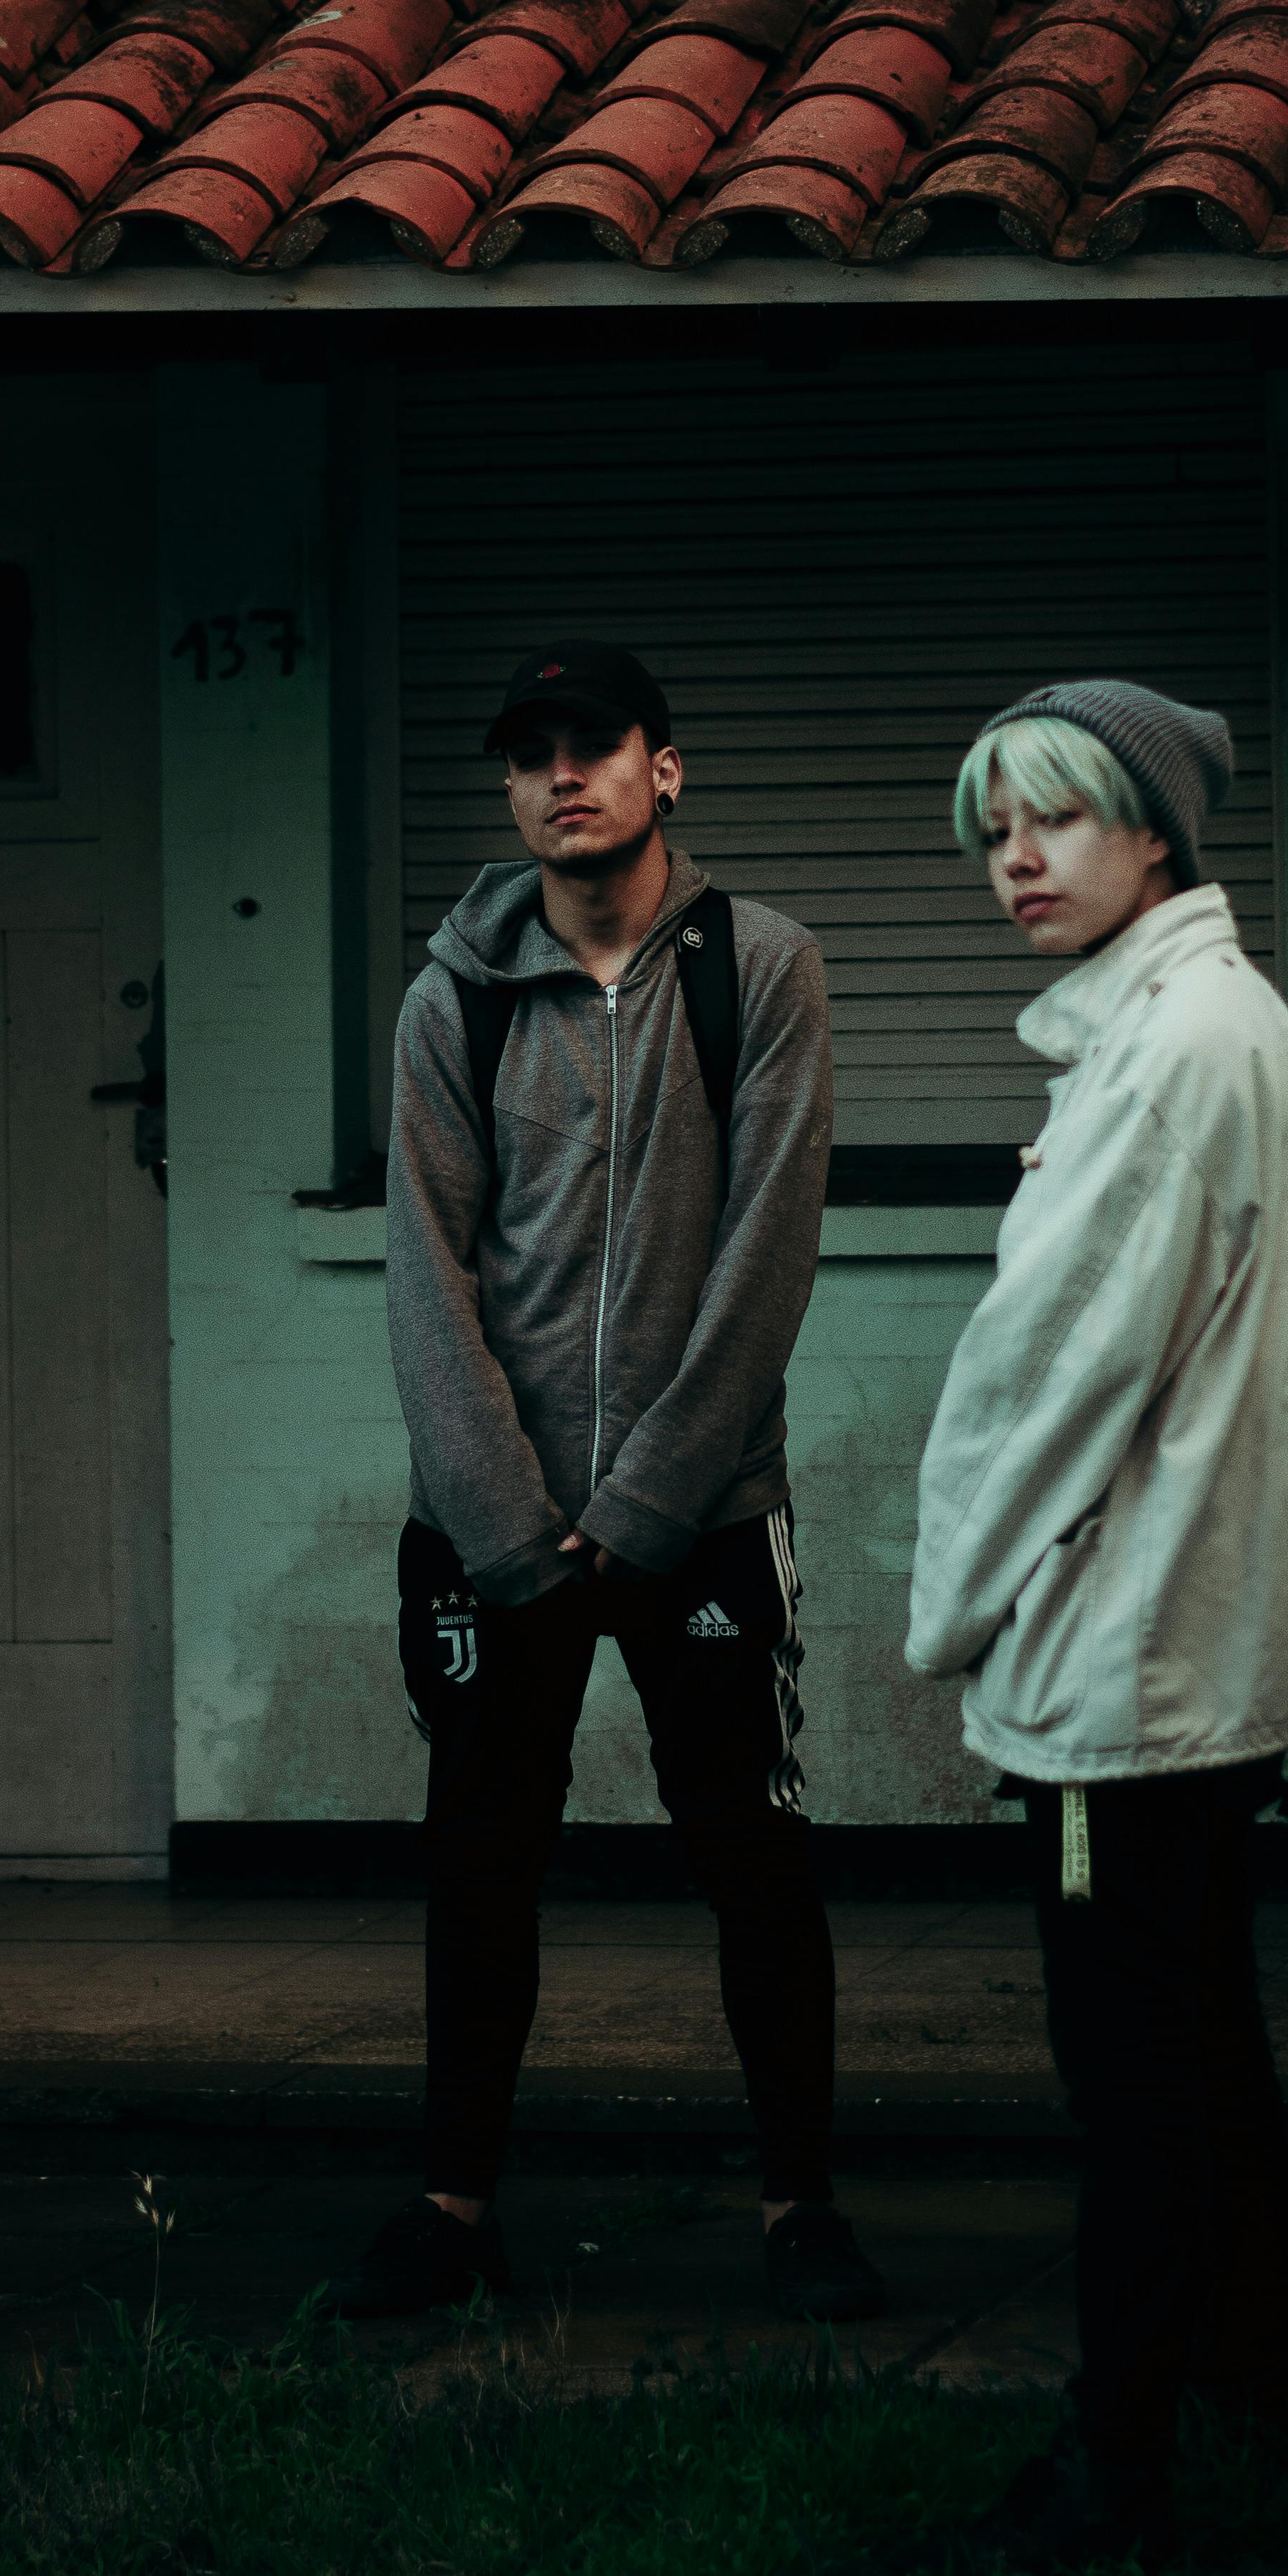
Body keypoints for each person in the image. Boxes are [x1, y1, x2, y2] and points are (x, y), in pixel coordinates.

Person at [908, 679, 1288, 2572]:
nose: (1018, 860)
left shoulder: (1173, 1048)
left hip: (1131, 1666)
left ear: (1156, 836)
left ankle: (1115, 2463)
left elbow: (1042, 1380)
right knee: (1206, 2045)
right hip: (1203, 1645)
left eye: (1054, 817)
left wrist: (951, 1613)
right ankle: (1238, 2394)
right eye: (992, 830)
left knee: (1135, 2078)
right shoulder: (1216, 1022)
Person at [322, 637, 886, 2327]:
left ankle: (799, 2206)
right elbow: (429, 1270)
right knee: (481, 1857)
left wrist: (640, 1503)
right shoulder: (457, 992)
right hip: (493, 1531)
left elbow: (764, 1248)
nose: (560, 774)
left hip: (699, 1512)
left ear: (664, 768)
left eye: (594, 744)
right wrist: (506, 1520)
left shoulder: (761, 965)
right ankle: (451, 2204)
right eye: (529, 753)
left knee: (754, 1858)